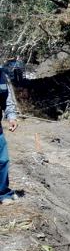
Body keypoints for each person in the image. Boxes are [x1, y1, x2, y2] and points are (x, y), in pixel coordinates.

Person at [0, 68, 19, 205]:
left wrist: (11, 117)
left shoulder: (2, 75)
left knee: (3, 160)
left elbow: (7, 99)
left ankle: (2, 193)